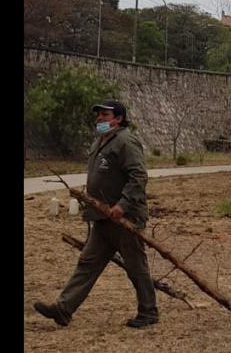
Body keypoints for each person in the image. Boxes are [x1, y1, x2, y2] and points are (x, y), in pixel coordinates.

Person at [33, 100, 159, 328]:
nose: (99, 119)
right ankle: (64, 308)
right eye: (98, 115)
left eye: (104, 115)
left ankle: (148, 312)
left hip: (124, 218)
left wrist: (123, 204)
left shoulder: (125, 142)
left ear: (118, 118)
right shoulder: (99, 141)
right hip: (101, 217)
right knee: (87, 263)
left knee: (135, 266)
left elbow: (138, 176)